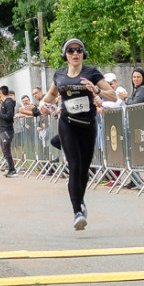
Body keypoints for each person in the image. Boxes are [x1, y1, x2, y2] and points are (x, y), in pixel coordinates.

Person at [38, 38, 116, 230]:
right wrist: (42, 103)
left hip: (87, 124)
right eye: (71, 50)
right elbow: (50, 95)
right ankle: (77, 212)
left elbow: (112, 95)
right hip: (67, 124)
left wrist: (96, 89)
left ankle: (80, 202)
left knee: (83, 168)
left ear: (83, 54)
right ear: (65, 55)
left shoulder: (91, 73)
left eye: (79, 50)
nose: (75, 54)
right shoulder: (59, 75)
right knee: (74, 165)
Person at [0, 86, 18, 177]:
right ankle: (11, 169)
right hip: (3, 128)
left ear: (0, 93)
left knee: (6, 150)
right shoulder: (3, 102)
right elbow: (3, 115)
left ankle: (12, 170)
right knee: (5, 150)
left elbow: (9, 116)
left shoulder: (8, 102)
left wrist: (0, 114)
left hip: (7, 129)